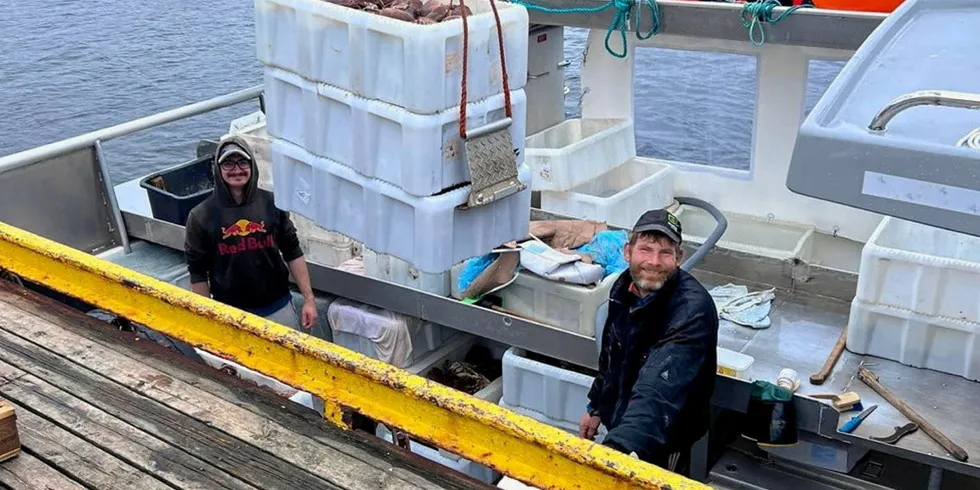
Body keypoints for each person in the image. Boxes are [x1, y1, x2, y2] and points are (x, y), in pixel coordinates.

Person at [579, 208, 718, 474]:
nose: (654, 261)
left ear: (678, 258)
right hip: (623, 425)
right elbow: (612, 355)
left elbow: (659, 388)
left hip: (664, 434)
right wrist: (596, 407)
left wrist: (618, 449)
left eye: (665, 253)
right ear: (627, 252)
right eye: (645, 250)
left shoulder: (691, 310)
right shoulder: (624, 287)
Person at [184, 136, 317, 330]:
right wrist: (206, 320)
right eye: (228, 163)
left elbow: (293, 251)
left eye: (242, 162)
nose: (237, 170)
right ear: (218, 168)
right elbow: (197, 273)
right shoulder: (200, 216)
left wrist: (309, 299)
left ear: (252, 165)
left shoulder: (273, 203)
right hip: (230, 313)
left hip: (278, 307)